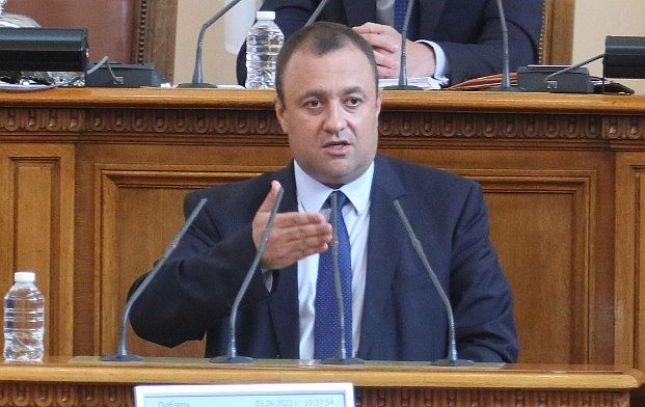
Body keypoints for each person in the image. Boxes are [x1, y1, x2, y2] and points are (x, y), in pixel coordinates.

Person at [130, 22, 518, 362]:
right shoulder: (227, 211)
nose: (335, 122)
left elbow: (491, 343)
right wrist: (250, 254)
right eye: (314, 103)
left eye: (352, 101)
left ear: (377, 106)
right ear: (283, 114)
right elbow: (150, 317)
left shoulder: (447, 207)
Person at [236, 0, 543, 86]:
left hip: (460, 139)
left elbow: (516, 54)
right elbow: (257, 58)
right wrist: (338, 62)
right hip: (336, 132)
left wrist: (430, 58)